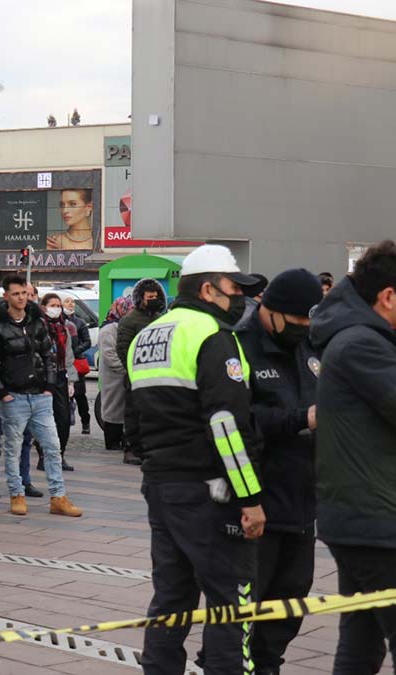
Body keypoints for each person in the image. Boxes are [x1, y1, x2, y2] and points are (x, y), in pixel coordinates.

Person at [128, 244, 265, 675]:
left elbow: (130, 422)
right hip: (210, 490)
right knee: (231, 600)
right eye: (233, 288)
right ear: (208, 290)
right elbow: (226, 425)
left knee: (171, 598)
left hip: (161, 484)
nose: (239, 298)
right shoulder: (213, 336)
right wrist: (250, 496)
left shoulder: (148, 335)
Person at [309, 241, 396, 674]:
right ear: (388, 297)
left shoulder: (361, 339)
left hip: (365, 517)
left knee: (362, 643)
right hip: (381, 522)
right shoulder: (362, 346)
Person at [234, 268, 322, 674]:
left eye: (308, 320)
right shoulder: (240, 346)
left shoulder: (309, 345)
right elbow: (239, 420)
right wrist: (301, 418)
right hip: (258, 500)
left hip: (302, 499)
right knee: (243, 611)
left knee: (290, 600)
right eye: (296, 320)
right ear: (269, 309)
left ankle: (268, 666)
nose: (302, 328)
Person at [0, 276, 81, 517]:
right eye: (16, 293)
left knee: (52, 446)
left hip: (40, 395)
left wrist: (49, 386)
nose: (21, 298)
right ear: (6, 296)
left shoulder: (37, 321)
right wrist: (2, 392)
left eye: (25, 293)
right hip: (14, 396)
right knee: (13, 448)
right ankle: (16, 494)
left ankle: (58, 497)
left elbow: (48, 355)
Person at [117, 278, 167, 465]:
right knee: (134, 414)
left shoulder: (161, 318)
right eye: (149, 297)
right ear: (140, 298)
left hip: (158, 375)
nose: (153, 300)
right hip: (136, 376)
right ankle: (131, 448)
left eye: (155, 296)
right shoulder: (129, 320)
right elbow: (123, 348)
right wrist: (134, 372)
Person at [40, 293, 78, 472]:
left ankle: (60, 454)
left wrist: (71, 379)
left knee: (63, 419)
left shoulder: (64, 327)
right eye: (52, 305)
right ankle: (44, 456)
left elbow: (69, 355)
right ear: (44, 306)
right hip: (44, 378)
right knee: (45, 420)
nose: (56, 308)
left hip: (61, 376)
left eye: (58, 305)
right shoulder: (40, 326)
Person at [97, 296, 134, 453]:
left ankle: (122, 440)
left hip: (125, 376)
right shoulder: (109, 329)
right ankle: (112, 442)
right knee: (113, 410)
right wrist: (127, 369)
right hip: (114, 377)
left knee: (122, 410)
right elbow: (109, 355)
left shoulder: (127, 327)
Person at [63, 296, 92, 434]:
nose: (70, 304)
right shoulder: (59, 321)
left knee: (80, 395)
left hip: (76, 362)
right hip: (62, 362)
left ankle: (85, 422)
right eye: (67, 301)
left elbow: (87, 342)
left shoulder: (80, 322)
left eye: (72, 302)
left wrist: (74, 351)